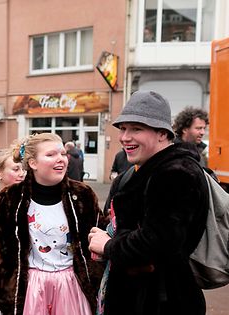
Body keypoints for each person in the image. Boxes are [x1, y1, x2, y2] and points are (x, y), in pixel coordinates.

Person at [88, 90, 209, 315]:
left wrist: (108, 245)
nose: (125, 137)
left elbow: (159, 241)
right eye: (123, 128)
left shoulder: (176, 173)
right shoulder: (147, 169)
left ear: (162, 133)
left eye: (136, 128)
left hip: (162, 302)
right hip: (141, 297)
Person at [0, 133, 104, 314]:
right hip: (29, 288)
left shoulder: (82, 194)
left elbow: (100, 231)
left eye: (62, 153)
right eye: (51, 154)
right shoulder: (11, 197)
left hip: (72, 286)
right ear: (33, 163)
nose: (60, 159)